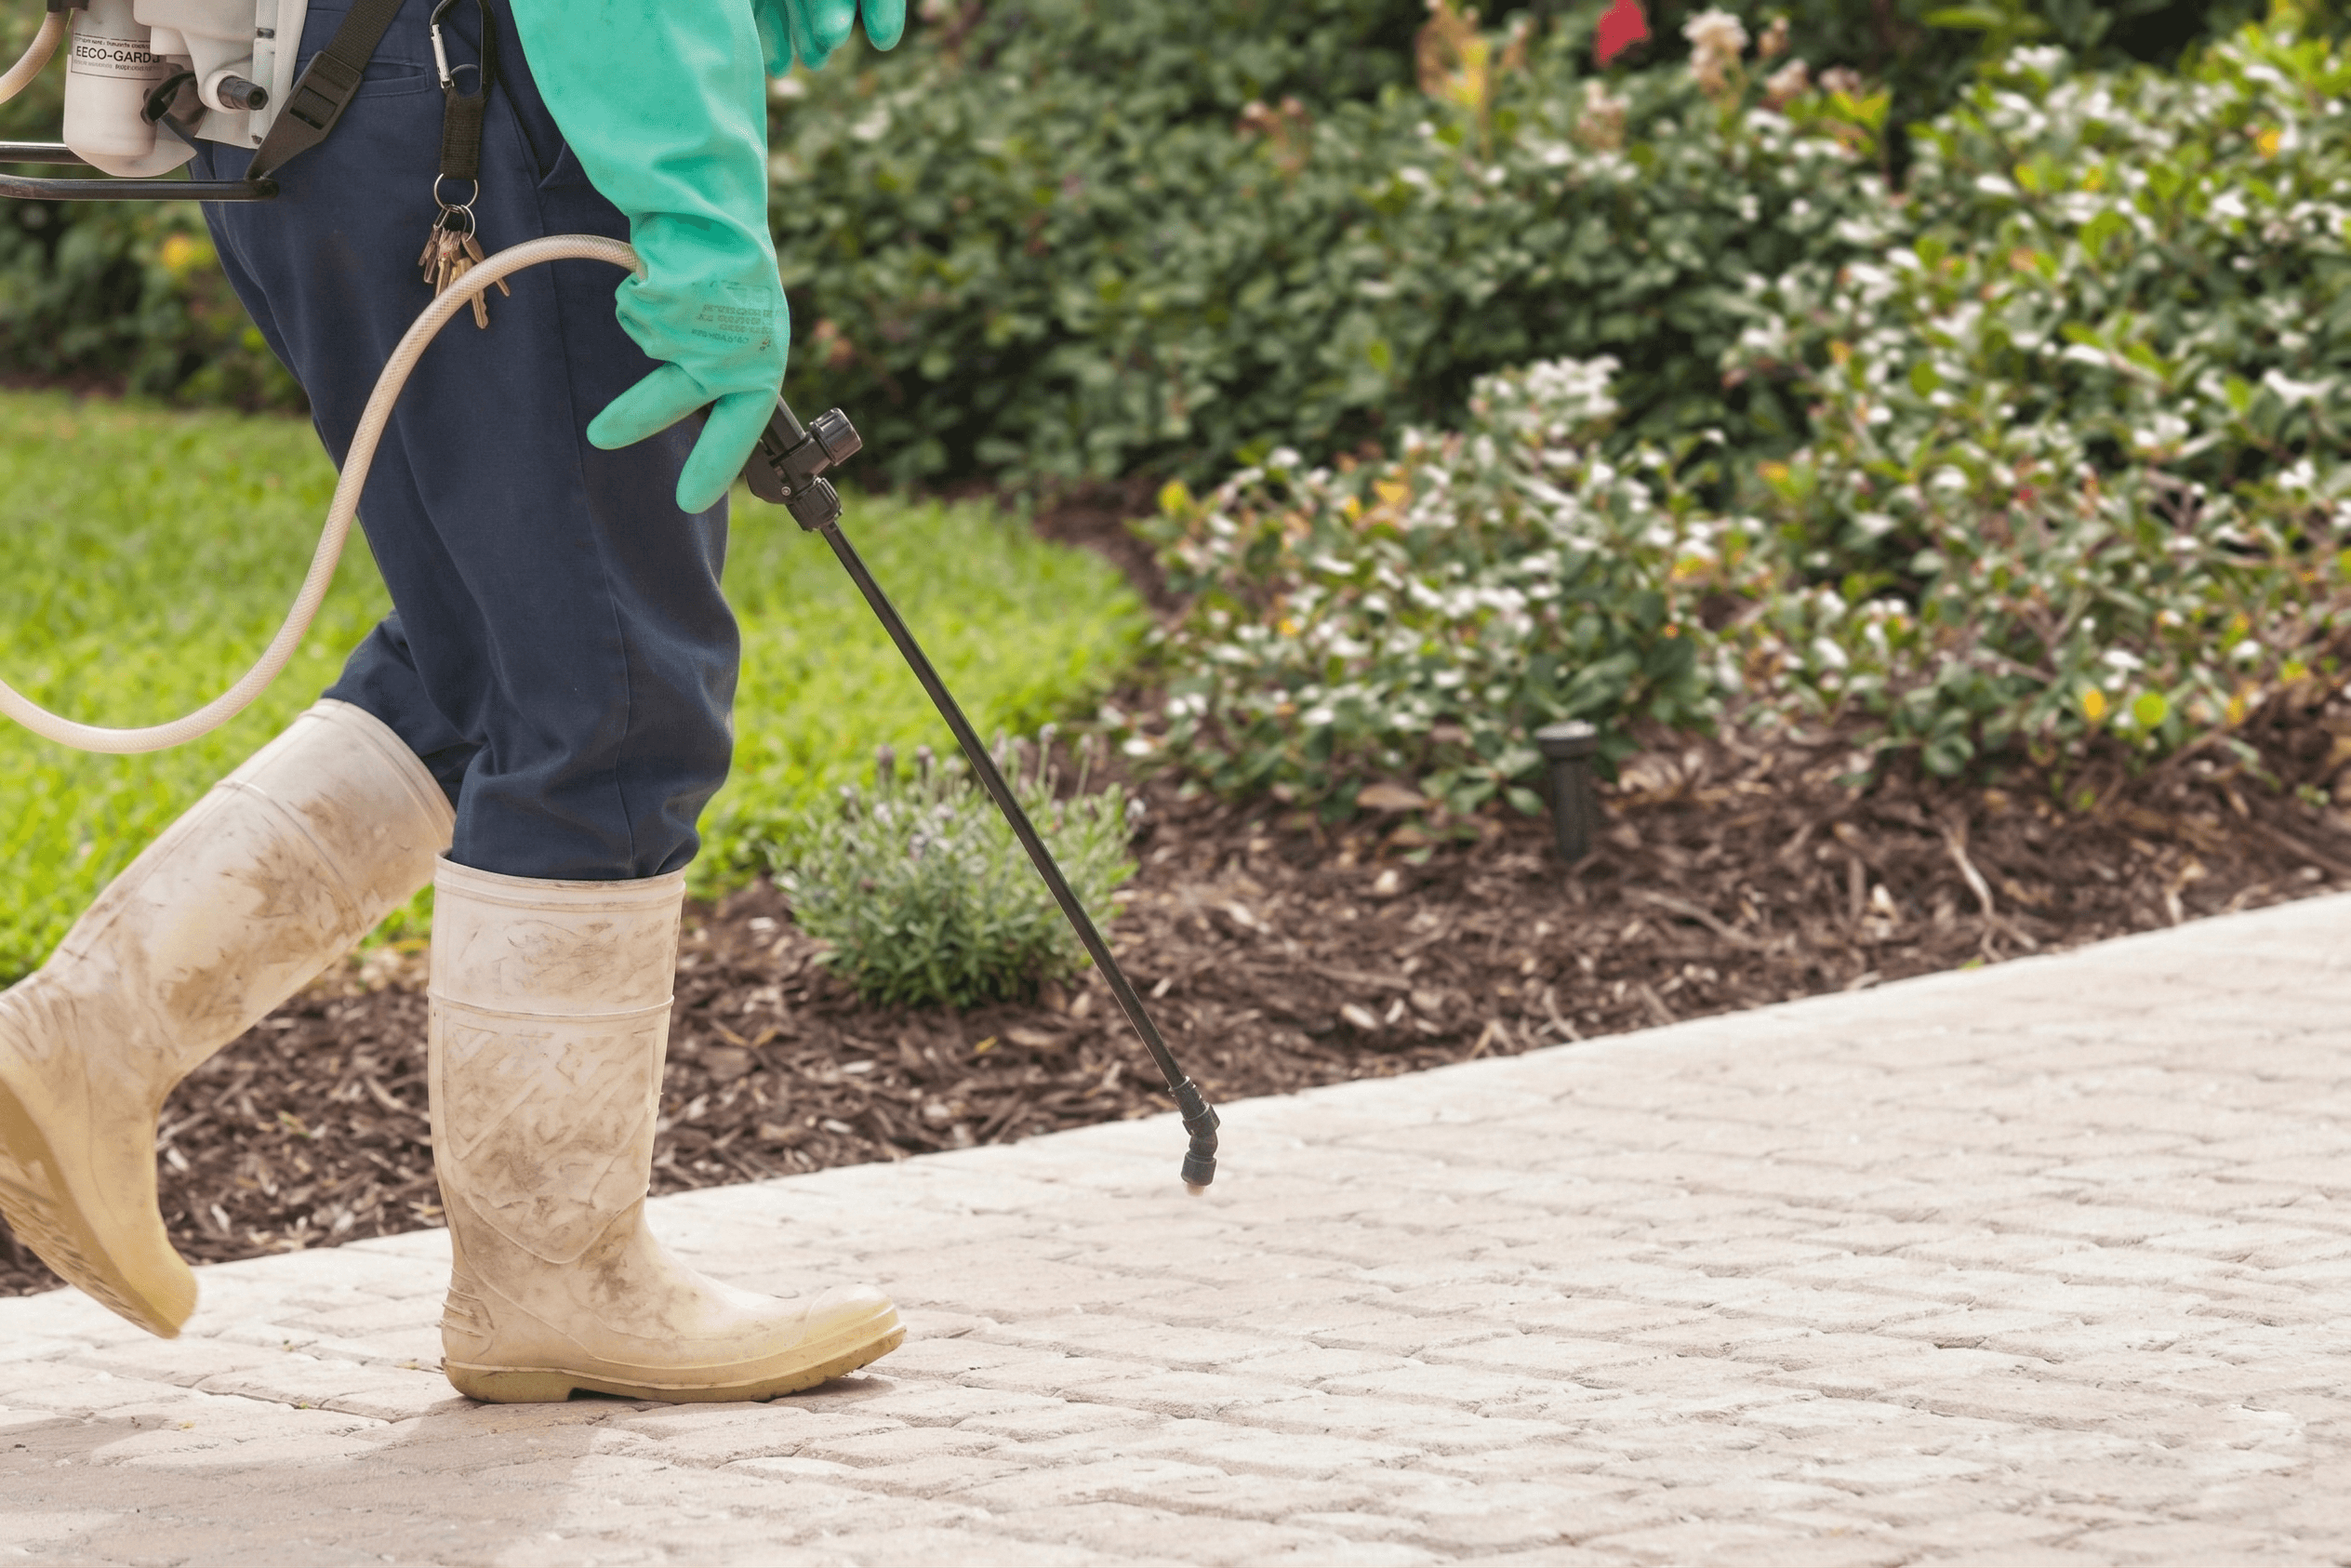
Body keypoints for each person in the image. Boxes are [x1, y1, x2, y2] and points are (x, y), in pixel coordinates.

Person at [0, 0, 908, 1403]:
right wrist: (700, 212)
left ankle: (83, 1046)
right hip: (464, 126)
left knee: (486, 651)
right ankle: (559, 1276)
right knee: (606, 699)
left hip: (309, 108)